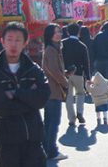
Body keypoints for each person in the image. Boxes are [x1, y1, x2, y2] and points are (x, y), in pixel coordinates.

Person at [0, 22, 50, 166]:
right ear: (2, 42)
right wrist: (30, 100)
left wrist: (16, 93)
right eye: (9, 39)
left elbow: (43, 98)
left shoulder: (34, 70)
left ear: (25, 42)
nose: (13, 44)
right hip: (5, 140)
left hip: (33, 138)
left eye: (18, 40)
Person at [42, 23, 70, 160]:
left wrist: (65, 73)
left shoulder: (53, 48)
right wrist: (65, 82)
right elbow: (53, 71)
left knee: (49, 121)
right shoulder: (51, 50)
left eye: (59, 31)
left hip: (50, 90)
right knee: (54, 121)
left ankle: (46, 149)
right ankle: (52, 151)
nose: (58, 34)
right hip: (53, 91)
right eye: (55, 32)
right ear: (49, 35)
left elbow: (54, 69)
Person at [62, 23, 91, 126]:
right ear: (79, 32)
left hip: (65, 74)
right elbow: (86, 63)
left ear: (67, 32)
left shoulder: (62, 44)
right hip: (79, 74)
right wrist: (88, 77)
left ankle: (71, 119)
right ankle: (80, 112)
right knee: (80, 93)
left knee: (68, 97)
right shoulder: (82, 46)